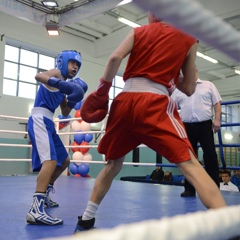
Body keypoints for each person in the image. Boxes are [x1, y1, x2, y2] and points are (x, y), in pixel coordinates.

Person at [74, 12, 226, 232]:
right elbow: (190, 88)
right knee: (191, 165)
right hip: (154, 103)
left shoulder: (138, 31)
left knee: (113, 164)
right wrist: (172, 75)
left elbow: (115, 58)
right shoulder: (189, 38)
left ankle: (87, 218)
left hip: (124, 101)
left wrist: (102, 91)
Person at [26, 50, 88, 225]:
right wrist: (61, 84)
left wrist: (75, 97)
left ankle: (44, 195)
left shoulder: (65, 86)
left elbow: (65, 111)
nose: (75, 67)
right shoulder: (56, 73)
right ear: (64, 62)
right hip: (39, 118)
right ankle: (35, 210)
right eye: (72, 63)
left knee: (65, 160)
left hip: (49, 122)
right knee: (50, 162)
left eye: (78, 65)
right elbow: (38, 75)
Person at [171, 66, 222, 197]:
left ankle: (214, 187)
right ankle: (189, 188)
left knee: (210, 155)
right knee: (188, 158)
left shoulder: (208, 85)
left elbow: (217, 103)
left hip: (205, 125)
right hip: (186, 126)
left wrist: (217, 120)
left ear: (197, 72)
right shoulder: (179, 90)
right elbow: (171, 106)